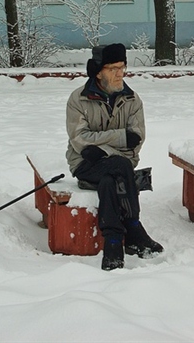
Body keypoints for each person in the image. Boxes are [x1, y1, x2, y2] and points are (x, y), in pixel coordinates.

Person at [65, 43, 163, 270]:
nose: (120, 73)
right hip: (84, 163)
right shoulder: (78, 99)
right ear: (98, 71)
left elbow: (136, 139)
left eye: (123, 67)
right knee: (117, 167)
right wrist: (119, 139)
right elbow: (79, 139)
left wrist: (102, 148)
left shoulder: (132, 100)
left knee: (112, 178)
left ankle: (113, 243)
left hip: (122, 164)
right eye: (113, 68)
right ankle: (134, 227)